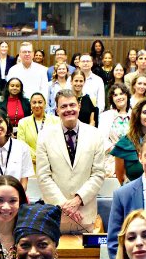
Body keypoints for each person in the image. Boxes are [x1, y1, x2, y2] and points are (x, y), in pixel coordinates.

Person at [36, 90, 110, 233]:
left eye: (72, 105)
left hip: (85, 215)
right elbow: (43, 176)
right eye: (63, 106)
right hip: (54, 215)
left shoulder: (95, 135)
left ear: (79, 106)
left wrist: (77, 200)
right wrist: (64, 205)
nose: (68, 109)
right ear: (56, 110)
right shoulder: (44, 136)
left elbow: (98, 174)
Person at [112, 98, 146, 185]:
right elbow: (121, 176)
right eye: (145, 112)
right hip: (133, 193)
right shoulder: (125, 143)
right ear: (138, 115)